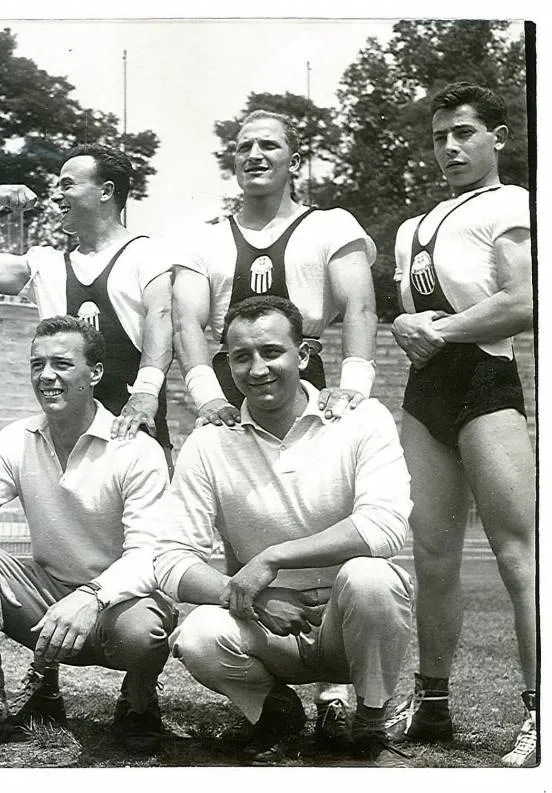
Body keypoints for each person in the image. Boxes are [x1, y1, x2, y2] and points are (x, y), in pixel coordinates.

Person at [170, 109, 378, 730]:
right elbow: (186, 320)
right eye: (244, 146)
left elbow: (361, 304)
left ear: (295, 157)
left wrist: (355, 387)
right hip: (233, 387)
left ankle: (339, 686)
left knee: (329, 521)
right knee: (245, 530)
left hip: (306, 385)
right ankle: (269, 689)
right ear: (232, 160)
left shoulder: (329, 225)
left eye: (271, 145)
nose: (256, 154)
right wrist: (206, 393)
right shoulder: (204, 235)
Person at [153, 296, 414, 767]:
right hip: (269, 625)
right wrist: (254, 596)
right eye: (241, 356)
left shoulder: (360, 420)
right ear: (226, 363)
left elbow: (385, 526)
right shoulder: (211, 441)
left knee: (372, 577)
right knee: (198, 636)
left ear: (305, 354)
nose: (257, 369)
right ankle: (276, 714)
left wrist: (271, 559)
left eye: (272, 352)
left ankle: (372, 721)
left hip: (347, 622)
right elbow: (169, 559)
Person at [0, 316, 174, 755]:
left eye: (61, 363)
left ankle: (138, 703)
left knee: (145, 631)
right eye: (37, 364)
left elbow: (146, 557)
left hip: (116, 606)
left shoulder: (135, 450)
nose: (46, 376)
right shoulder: (16, 439)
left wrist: (91, 596)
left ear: (94, 373)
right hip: (45, 599)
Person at [384, 82, 536, 768]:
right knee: (433, 557)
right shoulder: (411, 226)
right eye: (441, 135)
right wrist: (401, 321)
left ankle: (539, 711)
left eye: (465, 132)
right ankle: (434, 704)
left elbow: (522, 301)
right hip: (426, 395)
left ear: (496, 137)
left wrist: (434, 329)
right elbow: (407, 318)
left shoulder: (511, 204)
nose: (450, 145)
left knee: (518, 557)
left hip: (484, 384)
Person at [0, 143, 174, 457]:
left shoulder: (147, 253)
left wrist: (146, 394)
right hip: (66, 441)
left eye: (68, 185)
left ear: (106, 191)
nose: (56, 196)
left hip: (133, 429)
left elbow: (160, 320)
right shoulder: (46, 265)